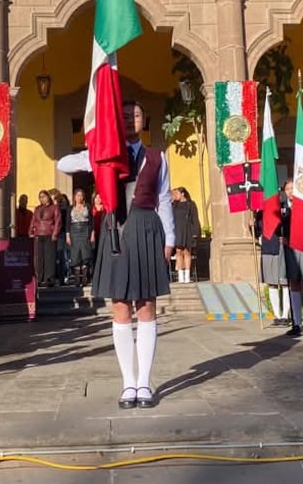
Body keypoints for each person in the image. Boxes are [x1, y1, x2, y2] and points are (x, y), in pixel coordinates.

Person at [57, 101, 174, 409]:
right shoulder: (106, 152)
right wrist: (97, 151)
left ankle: (145, 383)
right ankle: (128, 384)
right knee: (121, 307)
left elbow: (164, 198)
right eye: (123, 116)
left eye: (135, 115)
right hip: (116, 230)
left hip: (147, 228)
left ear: (143, 120)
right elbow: (62, 165)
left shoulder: (156, 156)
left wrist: (169, 238)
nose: (129, 120)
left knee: (146, 306)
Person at [281, 179, 303, 337]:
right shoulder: (282, 207)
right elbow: (274, 225)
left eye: (292, 188)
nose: (290, 191)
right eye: (287, 189)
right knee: (293, 282)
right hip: (290, 248)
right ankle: (297, 322)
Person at [254, 189, 290, 326]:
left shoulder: (284, 209)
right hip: (268, 249)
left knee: (285, 283)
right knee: (272, 283)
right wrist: (251, 225)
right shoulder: (260, 213)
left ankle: (286, 314)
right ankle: (277, 315)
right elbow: (257, 231)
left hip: (282, 248)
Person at [29, 190, 61, 288]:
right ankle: (39, 278)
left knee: (49, 257)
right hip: (38, 235)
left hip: (49, 234)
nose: (42, 198)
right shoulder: (37, 209)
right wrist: (30, 232)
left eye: (44, 196)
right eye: (40, 197)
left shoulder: (54, 208)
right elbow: (33, 221)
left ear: (48, 197)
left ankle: (49, 278)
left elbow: (58, 222)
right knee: (39, 257)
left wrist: (55, 234)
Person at [66, 188, 94, 286]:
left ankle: (85, 278)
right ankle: (77, 279)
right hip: (74, 231)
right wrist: (68, 235)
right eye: (77, 195)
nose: (79, 197)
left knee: (85, 254)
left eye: (81, 195)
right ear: (74, 197)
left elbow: (91, 222)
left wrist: (92, 234)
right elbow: (67, 223)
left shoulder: (88, 207)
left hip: (85, 230)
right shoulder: (70, 208)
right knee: (75, 254)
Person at [171, 187, 200, 284]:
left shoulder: (190, 204)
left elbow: (195, 218)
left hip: (188, 230)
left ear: (182, 193)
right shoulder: (173, 205)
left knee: (187, 252)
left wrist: (196, 232)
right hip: (178, 231)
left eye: (176, 193)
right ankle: (180, 276)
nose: (174, 196)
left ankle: (187, 276)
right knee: (179, 252)